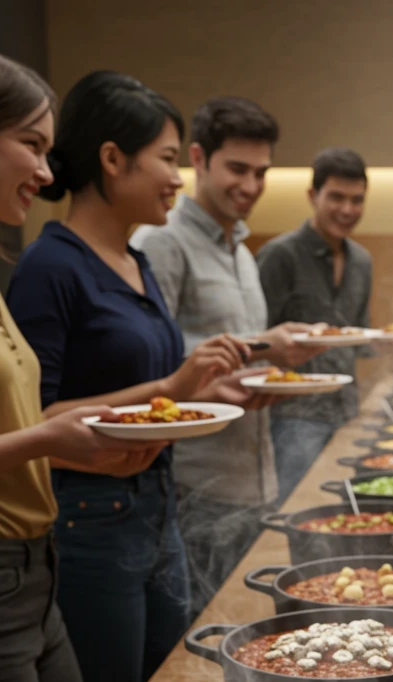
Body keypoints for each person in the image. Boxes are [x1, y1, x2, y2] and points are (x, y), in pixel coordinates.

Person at [0, 43, 166, 682]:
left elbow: (15, 420)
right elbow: (21, 436)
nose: (46, 172)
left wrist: (66, 441)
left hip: (36, 568)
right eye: (31, 147)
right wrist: (43, 444)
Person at [7, 71, 250, 682]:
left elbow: (156, 392)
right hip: (91, 519)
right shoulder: (51, 266)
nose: (178, 177)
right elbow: (35, 419)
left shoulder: (134, 261)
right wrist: (171, 388)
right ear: (112, 159)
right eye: (168, 159)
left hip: (157, 504)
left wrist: (203, 391)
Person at [131, 97, 321, 617]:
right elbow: (151, 366)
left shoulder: (240, 250)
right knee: (201, 645)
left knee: (246, 630)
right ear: (198, 158)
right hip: (196, 483)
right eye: (237, 169)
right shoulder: (161, 241)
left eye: (261, 172)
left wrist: (277, 360)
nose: (252, 185)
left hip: (255, 475)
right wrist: (265, 345)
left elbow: (235, 354)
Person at [257, 147, 371, 502]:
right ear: (312, 195)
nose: (348, 210)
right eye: (336, 197)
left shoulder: (362, 261)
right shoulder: (280, 255)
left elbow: (359, 334)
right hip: (293, 418)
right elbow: (255, 340)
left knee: (346, 513)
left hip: (347, 410)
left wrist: (383, 342)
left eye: (357, 200)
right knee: (297, 512)